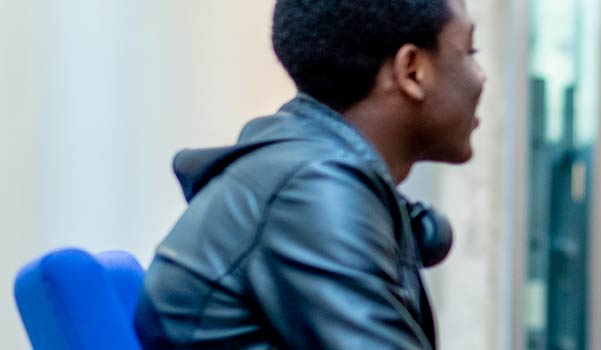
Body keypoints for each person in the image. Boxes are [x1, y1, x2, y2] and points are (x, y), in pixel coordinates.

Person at [133, 0, 484, 348]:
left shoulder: (305, 171)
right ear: (412, 70)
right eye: (469, 52)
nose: (481, 76)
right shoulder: (313, 186)